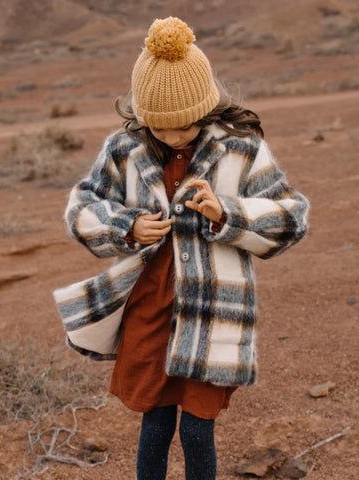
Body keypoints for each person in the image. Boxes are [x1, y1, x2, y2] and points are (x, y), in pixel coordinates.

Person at [53, 16, 309, 480]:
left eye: (185, 127)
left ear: (206, 108)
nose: (173, 137)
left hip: (215, 312)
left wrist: (227, 214)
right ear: (141, 116)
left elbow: (292, 216)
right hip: (150, 310)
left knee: (196, 431)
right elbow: (81, 207)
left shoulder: (241, 150)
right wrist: (127, 226)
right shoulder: (123, 150)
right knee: (154, 425)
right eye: (160, 128)